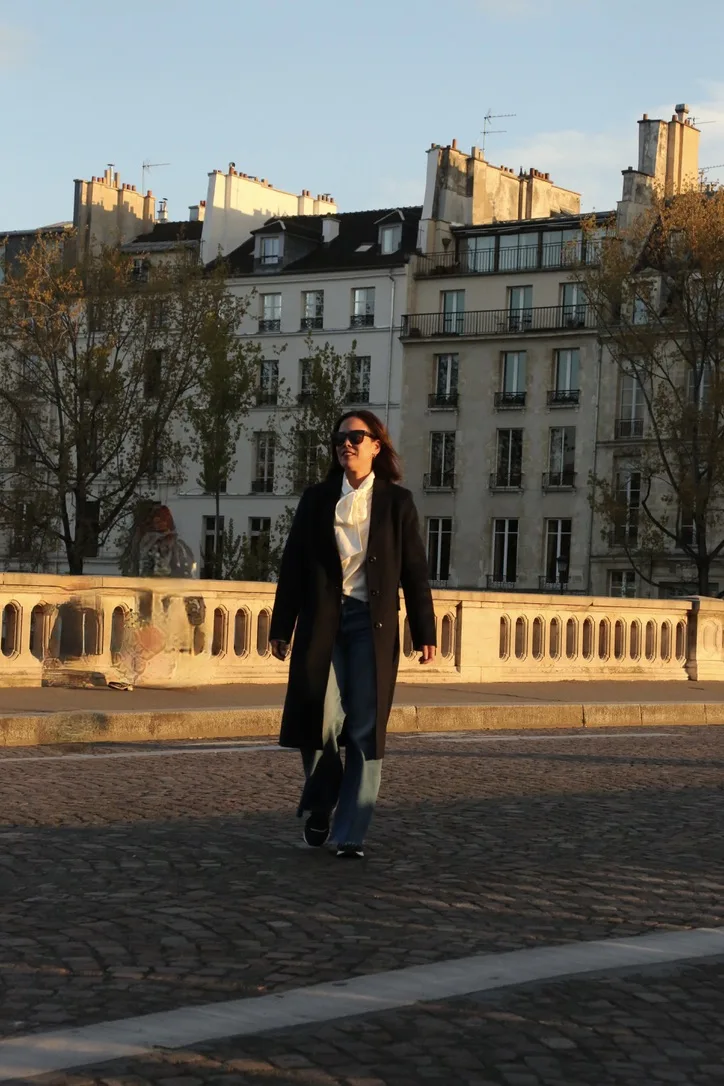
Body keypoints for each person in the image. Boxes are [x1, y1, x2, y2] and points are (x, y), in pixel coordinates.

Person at [270, 410, 436, 859]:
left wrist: (425, 630)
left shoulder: (397, 503)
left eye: (357, 437)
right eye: (340, 437)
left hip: (371, 624)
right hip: (323, 621)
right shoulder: (316, 499)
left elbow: (415, 572)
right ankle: (323, 802)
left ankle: (350, 833)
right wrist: (281, 625)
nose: (347, 443)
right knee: (317, 721)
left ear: (376, 446)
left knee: (365, 727)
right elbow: (293, 567)